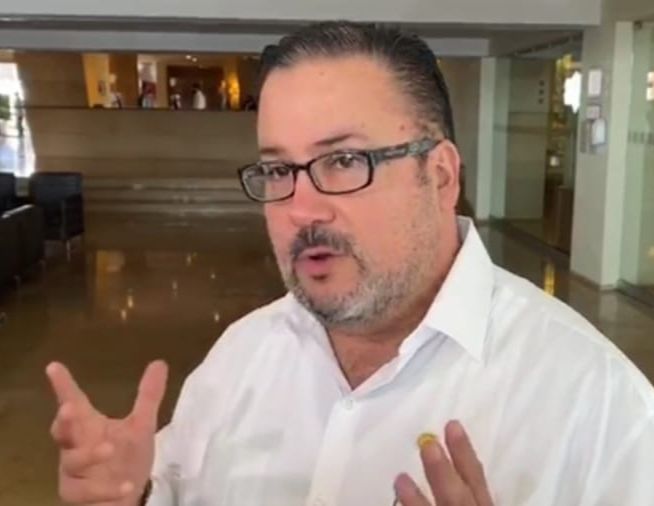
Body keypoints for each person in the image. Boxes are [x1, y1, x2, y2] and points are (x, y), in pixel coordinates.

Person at [46, 22, 654, 506]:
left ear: (440, 176)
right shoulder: (239, 359)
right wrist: (134, 495)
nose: (301, 208)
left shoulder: (596, 402)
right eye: (278, 170)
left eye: (343, 162)